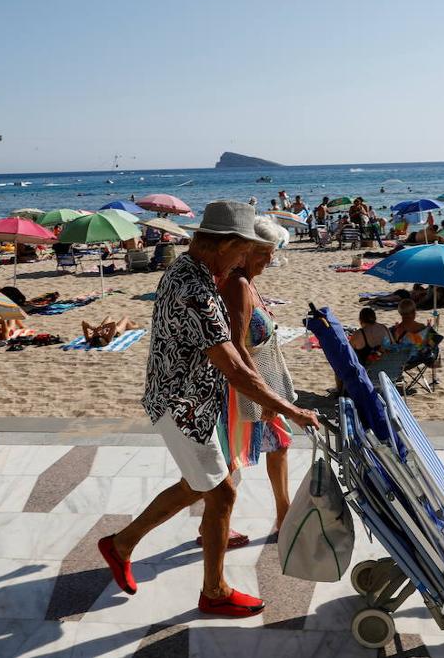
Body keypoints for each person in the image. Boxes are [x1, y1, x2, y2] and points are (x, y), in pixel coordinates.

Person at [98, 200, 318, 618]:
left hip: (185, 401)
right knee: (221, 494)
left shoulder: (187, 269)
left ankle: (122, 543)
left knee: (199, 487)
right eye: (242, 250)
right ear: (226, 244)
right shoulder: (196, 289)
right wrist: (288, 407)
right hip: (183, 408)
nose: (243, 261)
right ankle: (213, 591)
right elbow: (233, 363)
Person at [217, 217, 297, 534]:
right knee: (232, 456)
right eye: (265, 253)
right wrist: (260, 393)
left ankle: (283, 514)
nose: (271, 259)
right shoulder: (237, 285)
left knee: (242, 453)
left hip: (250, 385)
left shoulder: (245, 282)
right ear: (248, 250)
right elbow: (236, 343)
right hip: (245, 389)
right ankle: (281, 516)